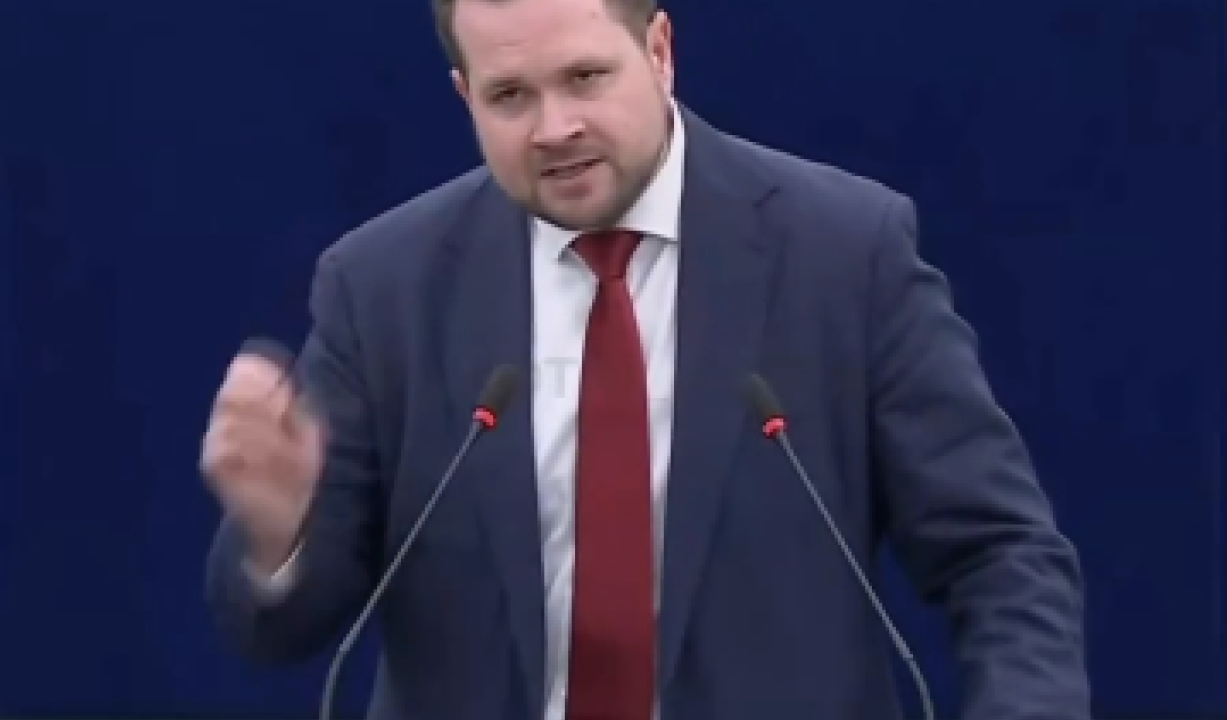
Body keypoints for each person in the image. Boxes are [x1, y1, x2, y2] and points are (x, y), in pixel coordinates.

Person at [201, 0, 1090, 718]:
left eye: (585, 78)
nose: (555, 127)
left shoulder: (843, 255)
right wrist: (281, 539)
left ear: (659, 50)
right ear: (464, 95)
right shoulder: (382, 288)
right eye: (510, 97)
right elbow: (281, 630)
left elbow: (999, 555)